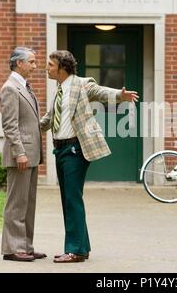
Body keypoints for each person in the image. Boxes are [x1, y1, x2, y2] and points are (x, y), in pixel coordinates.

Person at [41, 50, 138, 263]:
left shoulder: (82, 84)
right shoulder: (59, 89)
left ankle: (74, 250)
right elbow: (50, 117)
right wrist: (33, 127)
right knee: (70, 199)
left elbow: (101, 91)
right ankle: (81, 248)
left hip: (76, 149)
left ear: (62, 67)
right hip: (60, 149)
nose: (46, 68)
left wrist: (120, 96)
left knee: (72, 199)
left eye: (50, 64)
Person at [0, 47, 46, 262]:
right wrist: (19, 153)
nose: (35, 66)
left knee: (28, 203)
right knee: (16, 203)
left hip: (32, 155)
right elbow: (10, 126)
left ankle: (26, 246)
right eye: (32, 62)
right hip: (21, 156)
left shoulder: (24, 87)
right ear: (19, 63)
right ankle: (12, 248)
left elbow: (30, 123)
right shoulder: (10, 88)